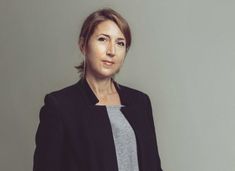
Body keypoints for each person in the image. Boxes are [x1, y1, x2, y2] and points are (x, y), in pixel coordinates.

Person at [33, 8, 163, 171]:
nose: (111, 51)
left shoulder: (140, 102)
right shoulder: (59, 106)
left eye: (120, 43)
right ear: (83, 45)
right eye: (103, 39)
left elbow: (153, 166)